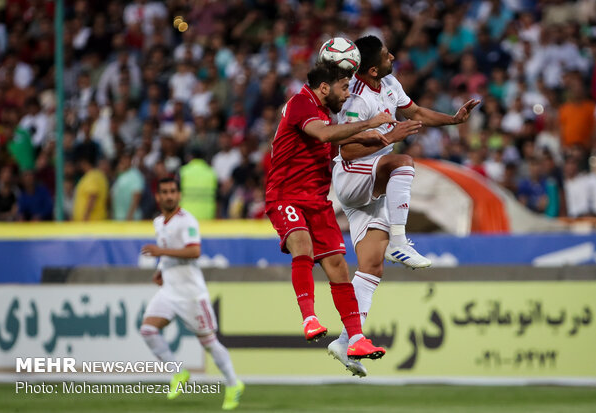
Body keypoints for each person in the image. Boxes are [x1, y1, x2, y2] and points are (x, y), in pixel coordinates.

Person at [328, 36, 479, 376]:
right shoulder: (356, 99)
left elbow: (416, 112)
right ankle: (399, 242)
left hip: (371, 186)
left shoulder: (390, 84)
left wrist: (454, 120)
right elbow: (347, 151)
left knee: (370, 267)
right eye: (386, 55)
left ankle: (347, 340)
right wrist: (388, 138)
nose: (392, 56)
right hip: (353, 179)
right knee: (403, 162)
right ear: (370, 68)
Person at [265, 61, 407, 362]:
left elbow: (338, 142)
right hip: (285, 196)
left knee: (339, 267)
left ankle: (355, 338)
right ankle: (309, 319)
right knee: (301, 244)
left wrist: (374, 139)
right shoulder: (302, 101)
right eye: (344, 87)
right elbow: (326, 136)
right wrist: (369, 124)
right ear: (325, 87)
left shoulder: (324, 114)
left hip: (317, 200)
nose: (347, 94)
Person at [140, 177, 244, 410]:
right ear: (158, 196)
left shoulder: (187, 221)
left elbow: (194, 251)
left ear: (179, 195)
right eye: (164, 192)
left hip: (191, 294)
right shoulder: (159, 222)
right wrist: (160, 268)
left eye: (173, 191)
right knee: (147, 330)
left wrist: (160, 252)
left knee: (208, 342)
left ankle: (233, 383)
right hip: (169, 290)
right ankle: (178, 373)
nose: (169, 195)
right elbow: (168, 252)